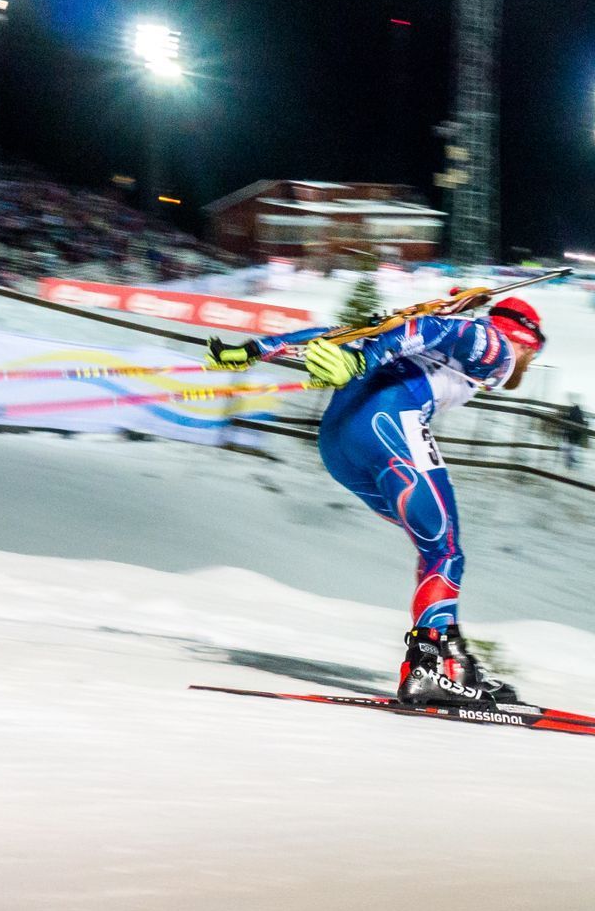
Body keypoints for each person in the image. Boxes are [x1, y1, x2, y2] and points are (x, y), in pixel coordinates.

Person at [205, 293, 547, 707]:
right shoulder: (496, 346)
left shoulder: (465, 337)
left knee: (433, 547)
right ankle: (426, 669)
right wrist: (362, 362)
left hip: (338, 442)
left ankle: (452, 659)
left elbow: (349, 334)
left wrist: (258, 349)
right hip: (389, 427)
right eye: (534, 353)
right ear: (525, 341)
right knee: (445, 550)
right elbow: (436, 330)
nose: (528, 364)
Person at [560, 398, 589, 469]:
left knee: (568, 447)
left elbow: (567, 419)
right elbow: (582, 424)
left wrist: (563, 417)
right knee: (572, 447)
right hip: (576, 435)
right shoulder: (580, 415)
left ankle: (568, 462)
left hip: (569, 433)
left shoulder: (572, 413)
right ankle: (570, 460)